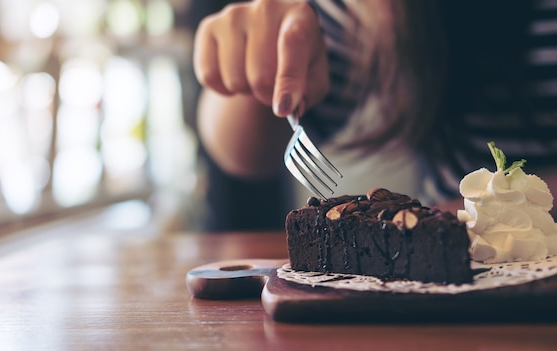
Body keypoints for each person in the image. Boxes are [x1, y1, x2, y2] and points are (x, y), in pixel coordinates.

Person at [193, 0, 557, 217]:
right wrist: (257, 58)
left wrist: (504, 213)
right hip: (456, 287)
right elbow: (242, 153)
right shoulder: (366, 10)